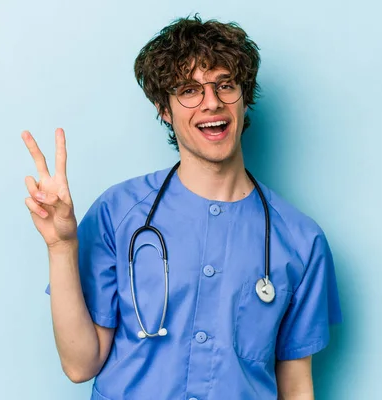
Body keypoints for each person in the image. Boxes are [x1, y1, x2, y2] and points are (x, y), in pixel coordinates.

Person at [22, 14, 342, 400]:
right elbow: (79, 365)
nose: (212, 103)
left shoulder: (302, 242)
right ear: (164, 108)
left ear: (244, 97)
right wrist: (60, 248)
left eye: (225, 85)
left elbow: (295, 386)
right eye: (190, 90)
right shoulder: (118, 213)